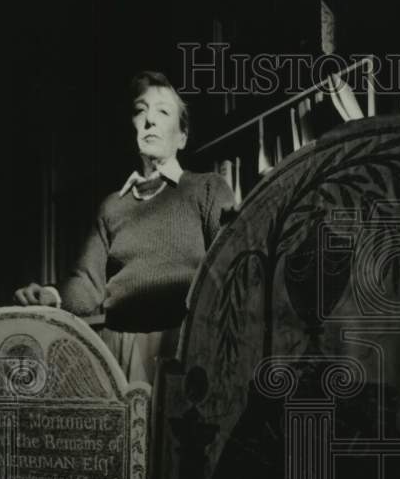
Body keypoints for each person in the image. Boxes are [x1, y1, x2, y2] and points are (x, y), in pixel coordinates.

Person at [14, 70, 236, 383]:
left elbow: (234, 268)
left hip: (188, 343)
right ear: (130, 128)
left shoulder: (208, 190)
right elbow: (87, 285)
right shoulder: (112, 206)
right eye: (140, 111)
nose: (150, 121)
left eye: (163, 111)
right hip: (120, 350)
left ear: (182, 135)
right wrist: (51, 295)